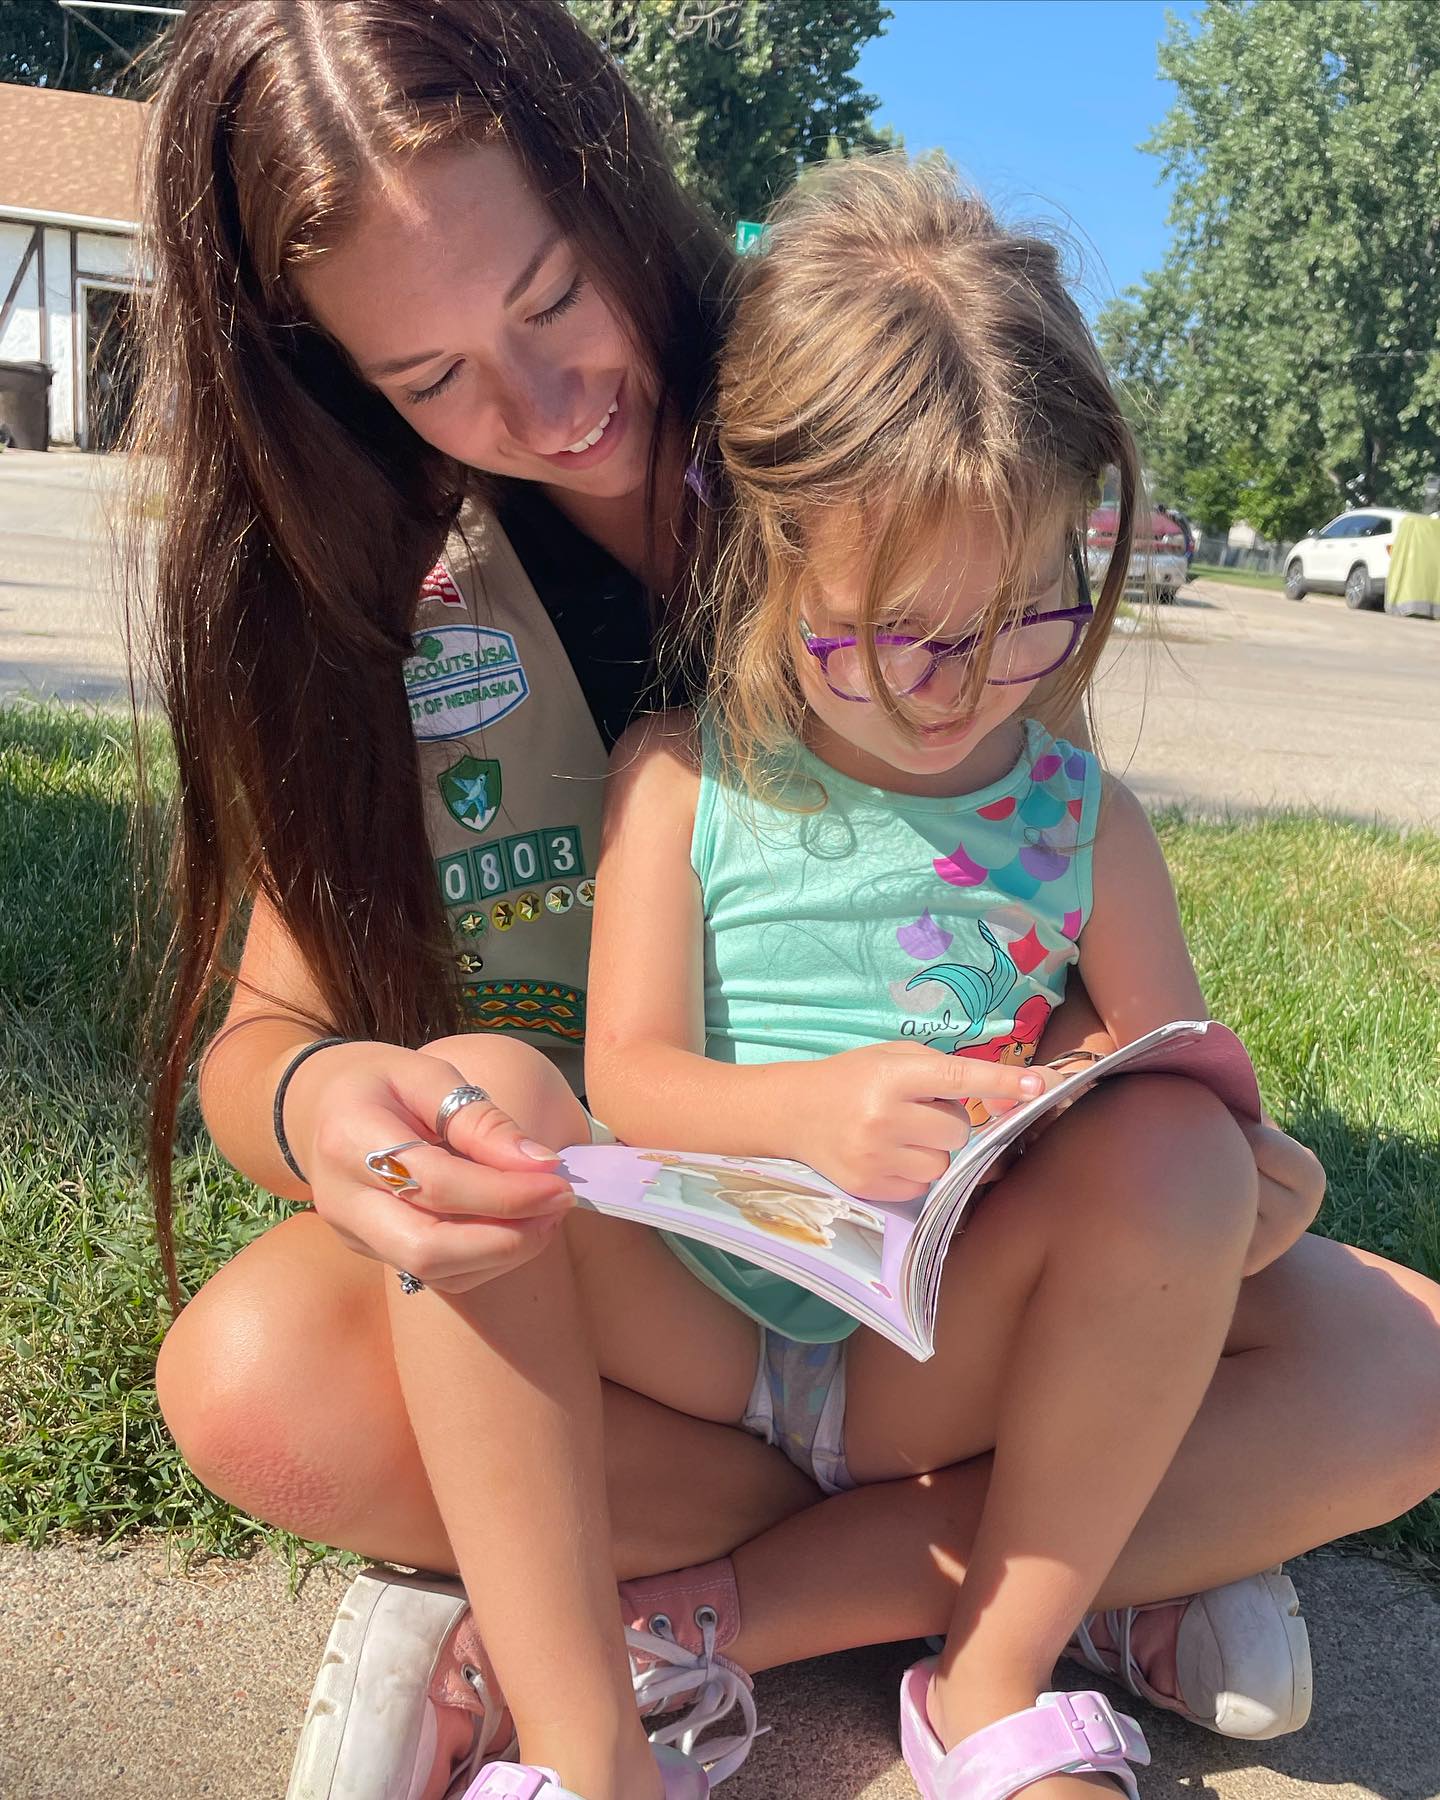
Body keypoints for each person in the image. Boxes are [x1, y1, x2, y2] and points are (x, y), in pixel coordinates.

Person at [128, 4, 1440, 1798]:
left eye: (549, 295)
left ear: (614, 180)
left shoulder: (849, 406)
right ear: (331, 378)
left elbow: (1029, 874)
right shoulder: (372, 580)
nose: (538, 404)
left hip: (944, 1287)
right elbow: (261, 1040)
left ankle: (649, 1603)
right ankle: (1090, 1557)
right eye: (426, 378)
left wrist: (1102, 1087)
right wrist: (322, 1107)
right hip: (617, 1285)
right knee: (254, 1382)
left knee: (1408, 1370)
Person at [582, 153, 1309, 1799]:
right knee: (484, 1152)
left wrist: (1249, 1191)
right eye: (898, 633)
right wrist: (808, 1115)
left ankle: (986, 1681)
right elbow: (623, 1077)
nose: (961, 691)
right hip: (690, 1342)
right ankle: (616, 1656)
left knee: (1189, 1165)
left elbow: (1162, 1080)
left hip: (941, 1364)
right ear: (763, 555)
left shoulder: (1085, 821)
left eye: (1030, 615)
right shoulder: (686, 778)